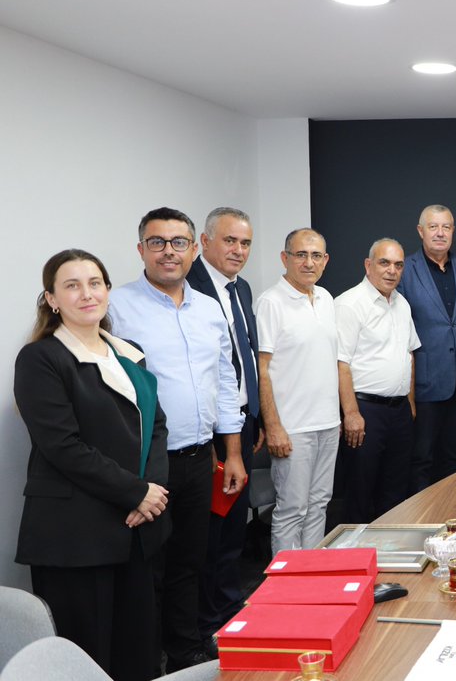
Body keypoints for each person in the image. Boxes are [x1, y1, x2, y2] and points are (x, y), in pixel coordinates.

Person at [14, 250, 170, 681]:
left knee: (137, 650)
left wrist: (152, 491)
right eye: (72, 285)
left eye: (95, 282)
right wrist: (136, 491)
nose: (87, 294)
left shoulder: (128, 353)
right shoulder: (41, 359)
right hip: (76, 536)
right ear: (52, 299)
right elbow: (62, 446)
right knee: (87, 657)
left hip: (136, 528)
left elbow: (157, 426)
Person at [108, 207, 245, 672]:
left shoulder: (209, 309)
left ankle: (185, 651)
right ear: (141, 249)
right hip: (146, 464)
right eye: (158, 242)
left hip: (198, 457)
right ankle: (148, 659)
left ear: (194, 248)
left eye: (178, 242)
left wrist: (232, 453)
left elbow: (225, 381)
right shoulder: (116, 307)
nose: (169, 251)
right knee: (150, 568)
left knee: (191, 561)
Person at [185, 206, 260, 642]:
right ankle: (209, 624)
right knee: (210, 534)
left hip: (240, 424)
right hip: (208, 431)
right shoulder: (190, 287)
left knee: (235, 527)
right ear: (205, 243)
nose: (238, 250)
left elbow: (243, 355)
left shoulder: (240, 288)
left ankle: (230, 607)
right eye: (229, 241)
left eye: (245, 243)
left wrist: (257, 415)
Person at [256, 228, 340, 553]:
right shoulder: (270, 302)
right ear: (285, 258)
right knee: (292, 510)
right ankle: (285, 590)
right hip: (293, 428)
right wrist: (273, 426)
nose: (308, 262)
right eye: (300, 254)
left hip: (327, 424)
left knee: (319, 505)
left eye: (316, 255)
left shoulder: (326, 299)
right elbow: (262, 370)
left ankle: (313, 579)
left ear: (325, 261)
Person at [334, 238, 421, 521]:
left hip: (399, 413)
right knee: (360, 493)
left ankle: (389, 560)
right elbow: (341, 363)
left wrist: (410, 403)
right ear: (368, 265)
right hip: (364, 411)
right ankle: (357, 561)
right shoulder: (348, 304)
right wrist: (351, 413)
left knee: (395, 494)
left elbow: (409, 355)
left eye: (398, 265)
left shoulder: (402, 304)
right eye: (384, 263)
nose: (391, 271)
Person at [398, 205, 456, 492]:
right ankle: (424, 521)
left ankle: (453, 518)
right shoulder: (405, 269)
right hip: (426, 381)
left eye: (446, 227)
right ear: (421, 231)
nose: (440, 233)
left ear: (453, 231)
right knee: (422, 457)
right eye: (433, 227)